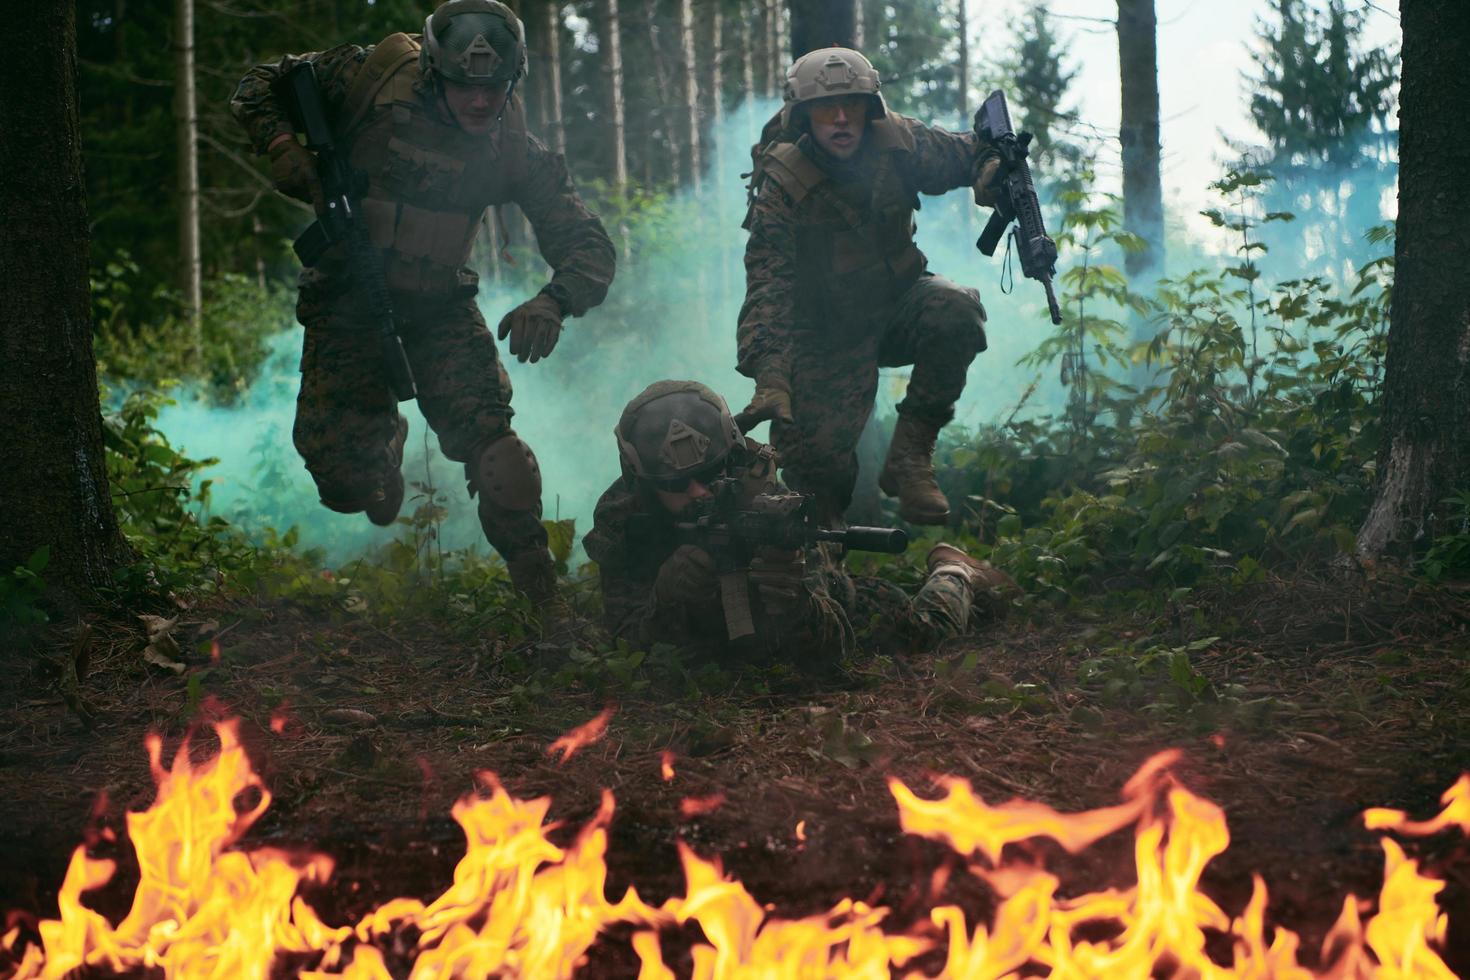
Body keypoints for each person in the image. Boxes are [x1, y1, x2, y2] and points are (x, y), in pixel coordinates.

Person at [230, 0, 615, 611]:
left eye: (494, 86)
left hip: (440, 305)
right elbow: (260, 83)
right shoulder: (371, 74)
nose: (480, 102)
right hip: (346, 294)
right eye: (466, 85)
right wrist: (282, 145)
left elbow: (587, 242)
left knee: (497, 446)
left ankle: (540, 592)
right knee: (341, 478)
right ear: (438, 71)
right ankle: (382, 454)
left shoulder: (511, 143)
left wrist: (555, 301)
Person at [736, 47, 1003, 528]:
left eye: (852, 106)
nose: (841, 119)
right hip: (822, 334)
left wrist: (990, 171)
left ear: (869, 109)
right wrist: (772, 374)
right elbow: (768, 284)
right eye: (825, 109)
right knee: (813, 477)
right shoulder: (782, 185)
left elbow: (967, 152)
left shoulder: (898, 142)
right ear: (804, 117)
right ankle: (819, 576)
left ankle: (910, 456)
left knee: (956, 310)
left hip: (897, 304)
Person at [583, 381, 1013, 664]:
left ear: (731, 459)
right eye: (678, 484)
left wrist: (795, 603)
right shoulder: (626, 517)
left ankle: (956, 572)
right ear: (644, 484)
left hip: (830, 605)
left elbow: (833, 652)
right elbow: (624, 645)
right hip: (712, 635)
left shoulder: (769, 506)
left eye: (712, 475)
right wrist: (664, 599)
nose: (698, 493)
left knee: (925, 636)